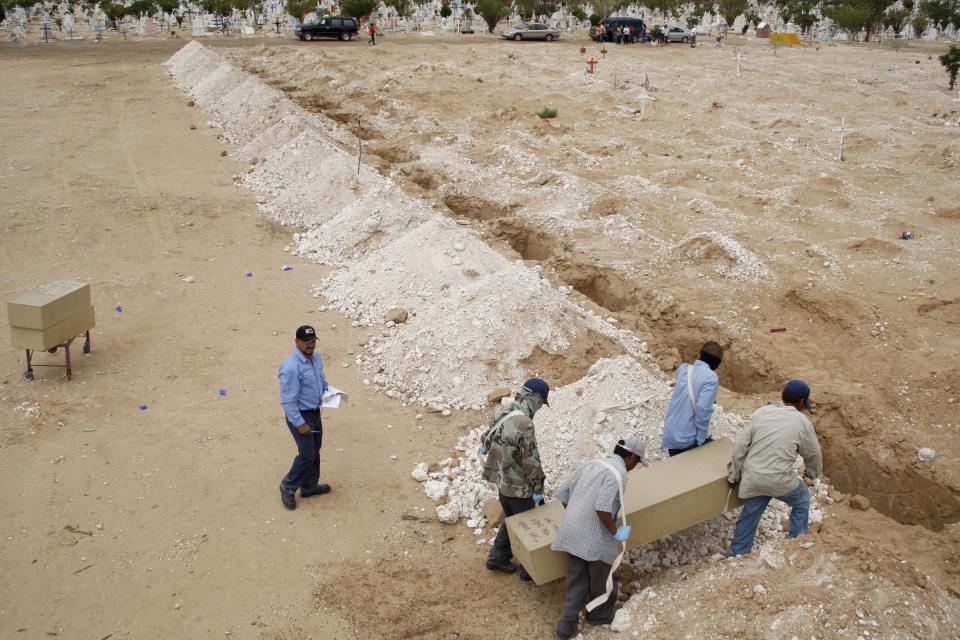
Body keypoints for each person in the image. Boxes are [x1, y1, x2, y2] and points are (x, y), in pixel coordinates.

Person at [551, 437, 648, 640]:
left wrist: (578, 518)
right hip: (595, 536)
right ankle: (599, 614)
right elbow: (603, 507)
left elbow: (563, 493)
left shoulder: (592, 462)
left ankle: (565, 629)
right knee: (605, 573)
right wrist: (615, 533)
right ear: (631, 458)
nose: (635, 467)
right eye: (637, 463)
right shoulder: (619, 474)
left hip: (570, 530)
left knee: (577, 578)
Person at [726, 380, 823, 556]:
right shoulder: (802, 422)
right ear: (801, 402)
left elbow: (741, 446)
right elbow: (814, 454)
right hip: (780, 480)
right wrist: (811, 473)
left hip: (753, 477)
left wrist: (735, 473)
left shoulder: (762, 412)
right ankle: (796, 543)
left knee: (750, 514)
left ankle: (737, 553)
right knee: (801, 500)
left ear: (782, 396)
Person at [480, 378, 550, 581]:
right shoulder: (524, 423)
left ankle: (497, 558)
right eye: (541, 402)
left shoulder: (502, 410)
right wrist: (538, 487)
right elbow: (531, 461)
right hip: (520, 488)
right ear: (536, 398)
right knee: (529, 528)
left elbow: (488, 437)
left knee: (511, 521)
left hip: (502, 483)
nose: (540, 407)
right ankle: (530, 569)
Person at [278, 325, 331, 510]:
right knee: (307, 455)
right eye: (306, 342)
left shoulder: (316, 358)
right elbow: (287, 401)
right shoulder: (291, 367)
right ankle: (288, 485)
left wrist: (330, 392)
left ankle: (309, 487)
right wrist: (300, 423)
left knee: (315, 450)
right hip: (301, 416)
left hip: (315, 412)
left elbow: (321, 381)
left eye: (313, 341)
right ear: (297, 342)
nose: (310, 345)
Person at [661, 341, 724, 456]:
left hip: (670, 433)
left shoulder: (684, 369)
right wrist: (701, 438)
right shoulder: (711, 378)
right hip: (686, 439)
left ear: (701, 354)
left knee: (678, 467)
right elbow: (702, 409)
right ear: (717, 362)